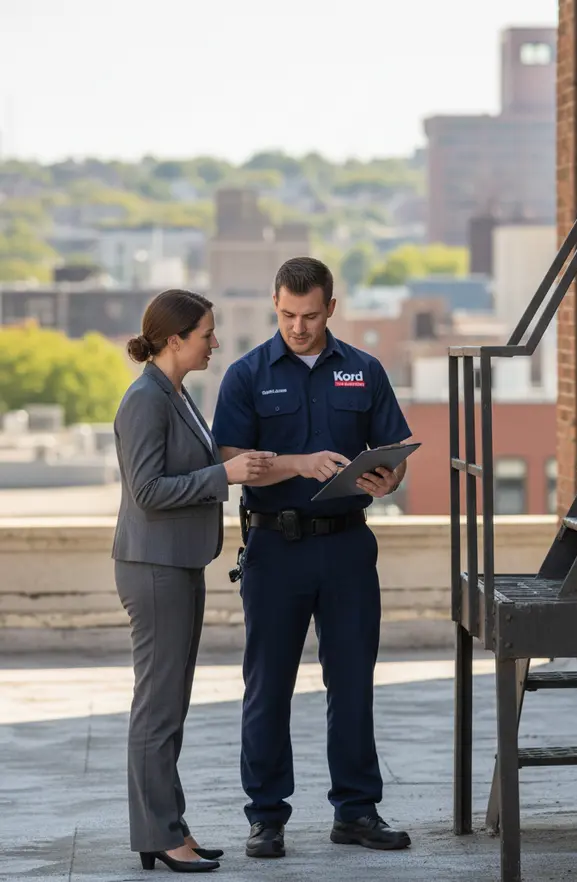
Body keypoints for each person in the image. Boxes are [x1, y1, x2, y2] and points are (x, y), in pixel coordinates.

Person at [212, 257, 413, 859]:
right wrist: (298, 463)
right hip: (275, 547)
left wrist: (388, 477)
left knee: (352, 683)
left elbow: (393, 451)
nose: (298, 327)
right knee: (267, 686)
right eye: (287, 314)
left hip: (349, 545)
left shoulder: (364, 370)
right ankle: (266, 817)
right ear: (276, 304)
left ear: (331, 307)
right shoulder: (246, 374)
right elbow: (230, 458)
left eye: (309, 315)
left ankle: (356, 811)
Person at [113, 288, 275, 874]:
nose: (215, 342)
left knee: (170, 706)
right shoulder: (145, 400)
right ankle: (159, 834)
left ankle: (167, 828)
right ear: (175, 339)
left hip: (179, 564)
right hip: (155, 568)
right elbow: (148, 493)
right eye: (207, 333)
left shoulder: (176, 395)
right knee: (157, 709)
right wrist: (223, 475)